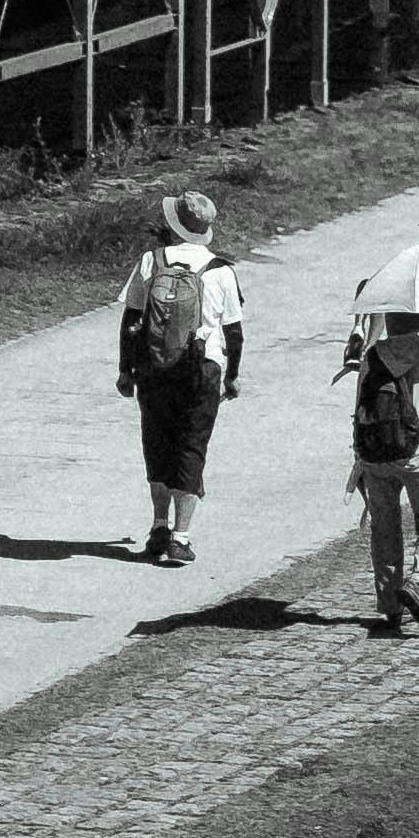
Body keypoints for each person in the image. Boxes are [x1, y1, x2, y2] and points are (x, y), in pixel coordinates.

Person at [114, 188, 244, 568]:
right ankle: (181, 538)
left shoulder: (150, 261)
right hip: (203, 368)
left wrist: (126, 369)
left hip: (154, 366)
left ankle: (158, 525)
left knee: (157, 441)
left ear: (172, 225)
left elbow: (131, 319)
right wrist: (233, 376)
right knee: (191, 446)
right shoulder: (221, 270)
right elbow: (233, 332)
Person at [343, 299, 419, 634]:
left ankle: (389, 606)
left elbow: (360, 406)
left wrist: (359, 457)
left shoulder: (372, 355)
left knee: (384, 531)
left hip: (376, 456)